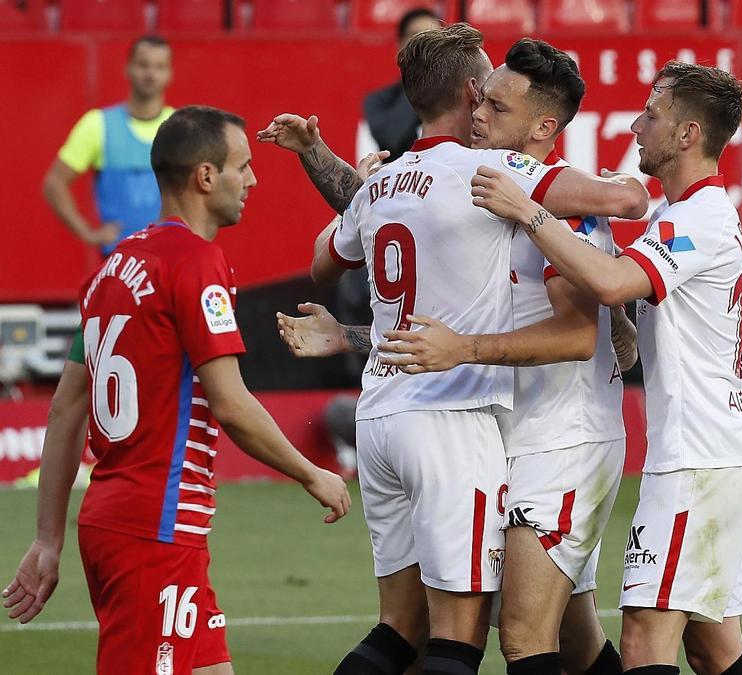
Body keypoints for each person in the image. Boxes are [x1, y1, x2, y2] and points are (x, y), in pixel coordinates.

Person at [258, 24, 648, 675]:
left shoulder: (539, 194)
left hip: (559, 437)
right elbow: (434, 319)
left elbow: (578, 326)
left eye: (498, 106)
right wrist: (351, 335)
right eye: (483, 98)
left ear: (541, 127)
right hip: (485, 426)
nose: (482, 113)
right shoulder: (479, 185)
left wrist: (620, 306)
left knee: (513, 633)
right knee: (561, 636)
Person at [3, 105, 351, 674]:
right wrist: (312, 473)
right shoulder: (196, 264)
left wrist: (48, 538)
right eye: (244, 166)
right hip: (154, 529)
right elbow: (231, 404)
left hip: (127, 521)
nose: (254, 180)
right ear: (206, 177)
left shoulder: (111, 269)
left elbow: (66, 406)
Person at [472, 61, 742, 675]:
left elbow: (612, 283)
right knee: (714, 649)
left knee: (642, 641)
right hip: (709, 448)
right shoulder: (681, 212)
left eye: (653, 115)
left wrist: (529, 210)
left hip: (699, 456)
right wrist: (625, 330)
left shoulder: (699, 218)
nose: (638, 125)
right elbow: (635, 309)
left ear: (689, 134)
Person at [44, 35, 174, 254]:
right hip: (117, 262)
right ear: (128, 69)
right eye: (143, 65)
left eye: (160, 67)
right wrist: (87, 232)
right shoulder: (97, 125)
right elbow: (54, 183)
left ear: (170, 73)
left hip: (169, 256)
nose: (151, 74)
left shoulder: (180, 127)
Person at [356, 6, 442, 162]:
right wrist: (417, 81)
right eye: (416, 36)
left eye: (433, 37)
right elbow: (391, 139)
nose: (425, 45)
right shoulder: (379, 100)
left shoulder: (456, 93)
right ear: (400, 45)